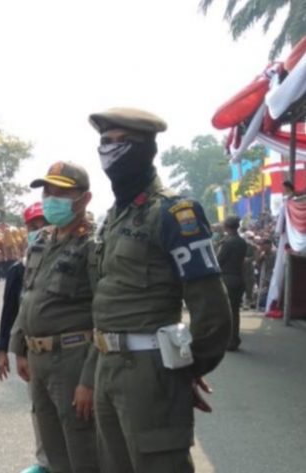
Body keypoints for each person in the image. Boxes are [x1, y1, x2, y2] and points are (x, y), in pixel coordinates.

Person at [88, 107, 231, 472]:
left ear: (148, 149)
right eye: (106, 142)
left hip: (150, 372)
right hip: (108, 367)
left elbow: (211, 313)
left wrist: (182, 368)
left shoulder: (172, 212)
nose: (111, 149)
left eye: (125, 142)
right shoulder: (114, 218)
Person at [9, 162, 99, 473]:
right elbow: (29, 295)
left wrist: (89, 379)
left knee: (83, 449)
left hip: (73, 358)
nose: (51, 198)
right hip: (39, 360)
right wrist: (19, 347)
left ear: (83, 199)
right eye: (47, 191)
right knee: (52, 449)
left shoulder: (93, 244)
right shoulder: (43, 240)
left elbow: (105, 314)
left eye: (61, 192)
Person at [0, 202, 49, 473]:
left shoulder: (71, 260)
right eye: (32, 226)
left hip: (68, 351)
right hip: (31, 351)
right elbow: (10, 312)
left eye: (43, 224)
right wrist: (5, 351)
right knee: (40, 408)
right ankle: (45, 462)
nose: (38, 231)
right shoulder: (19, 269)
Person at [217, 216, 246, 351]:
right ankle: (233, 338)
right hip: (238, 277)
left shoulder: (228, 243)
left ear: (227, 227)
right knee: (234, 311)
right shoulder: (241, 242)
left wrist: (221, 245)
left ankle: (230, 339)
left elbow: (219, 260)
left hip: (228, 278)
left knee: (227, 312)